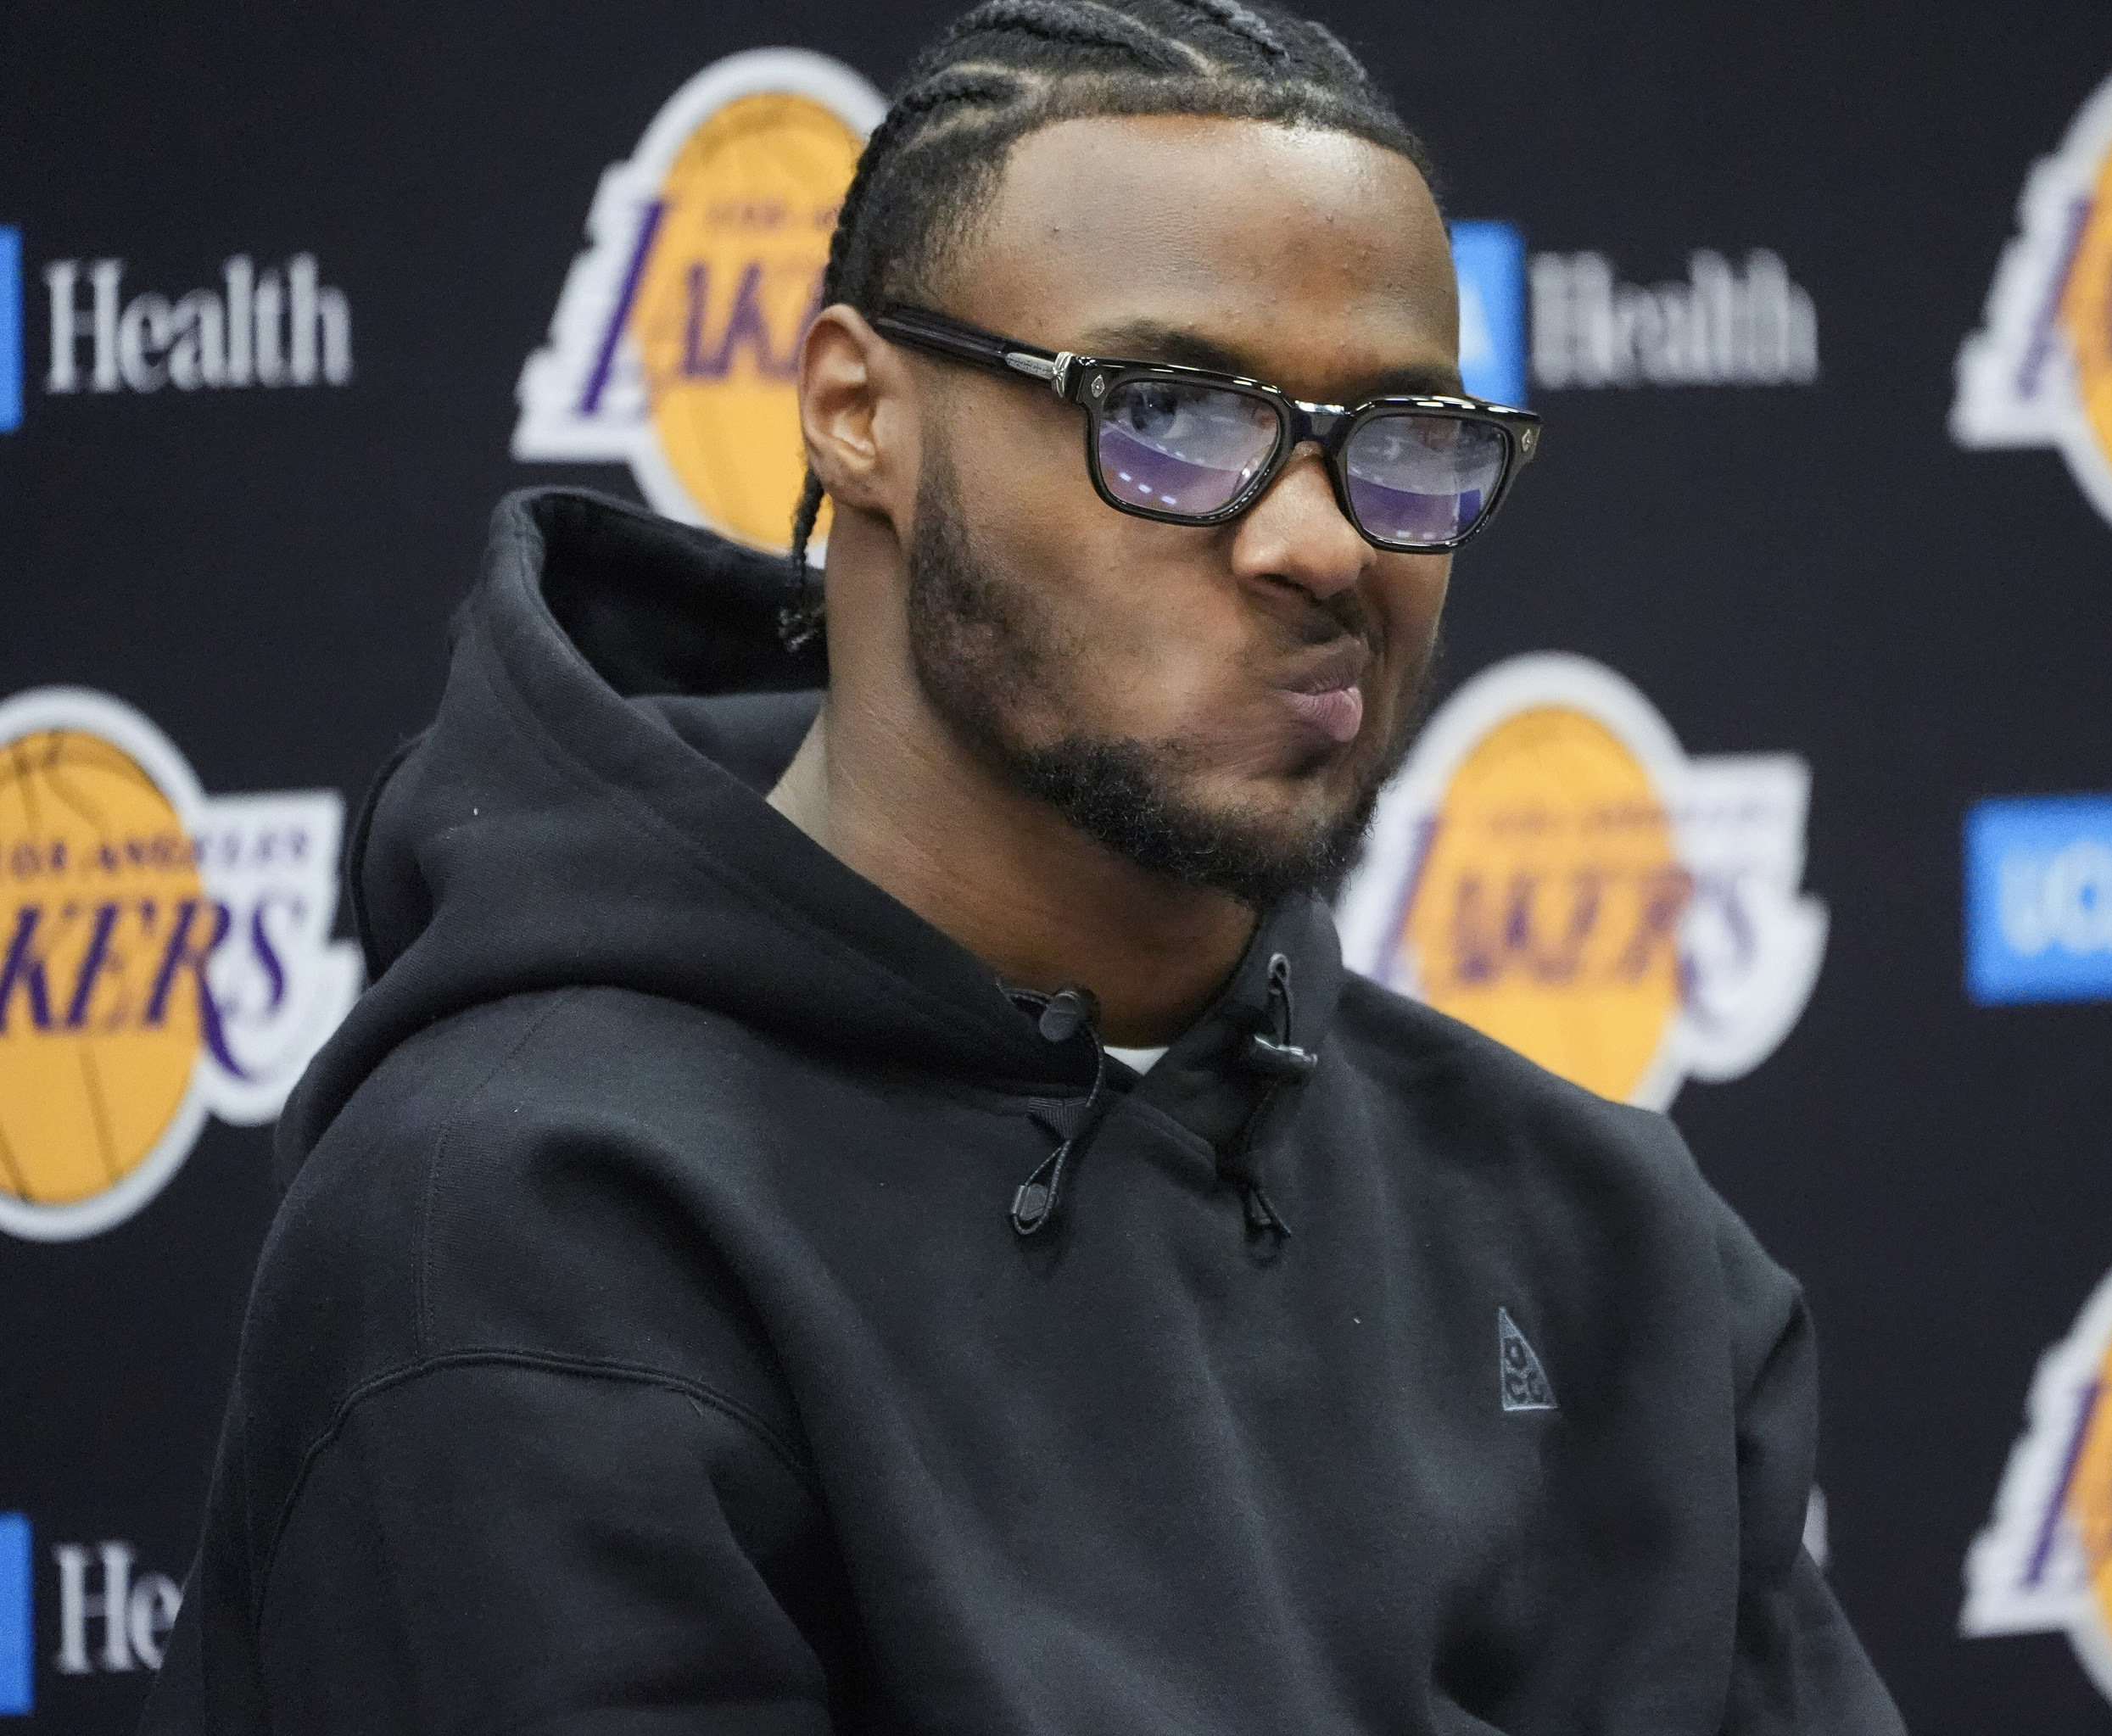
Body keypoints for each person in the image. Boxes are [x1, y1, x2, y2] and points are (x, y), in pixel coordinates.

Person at [145, 3, 1902, 1730]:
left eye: (1405, 442)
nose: (1318, 542)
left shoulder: (1617, 1244)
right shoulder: (526, 1240)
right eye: (1176, 414)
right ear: (858, 413)